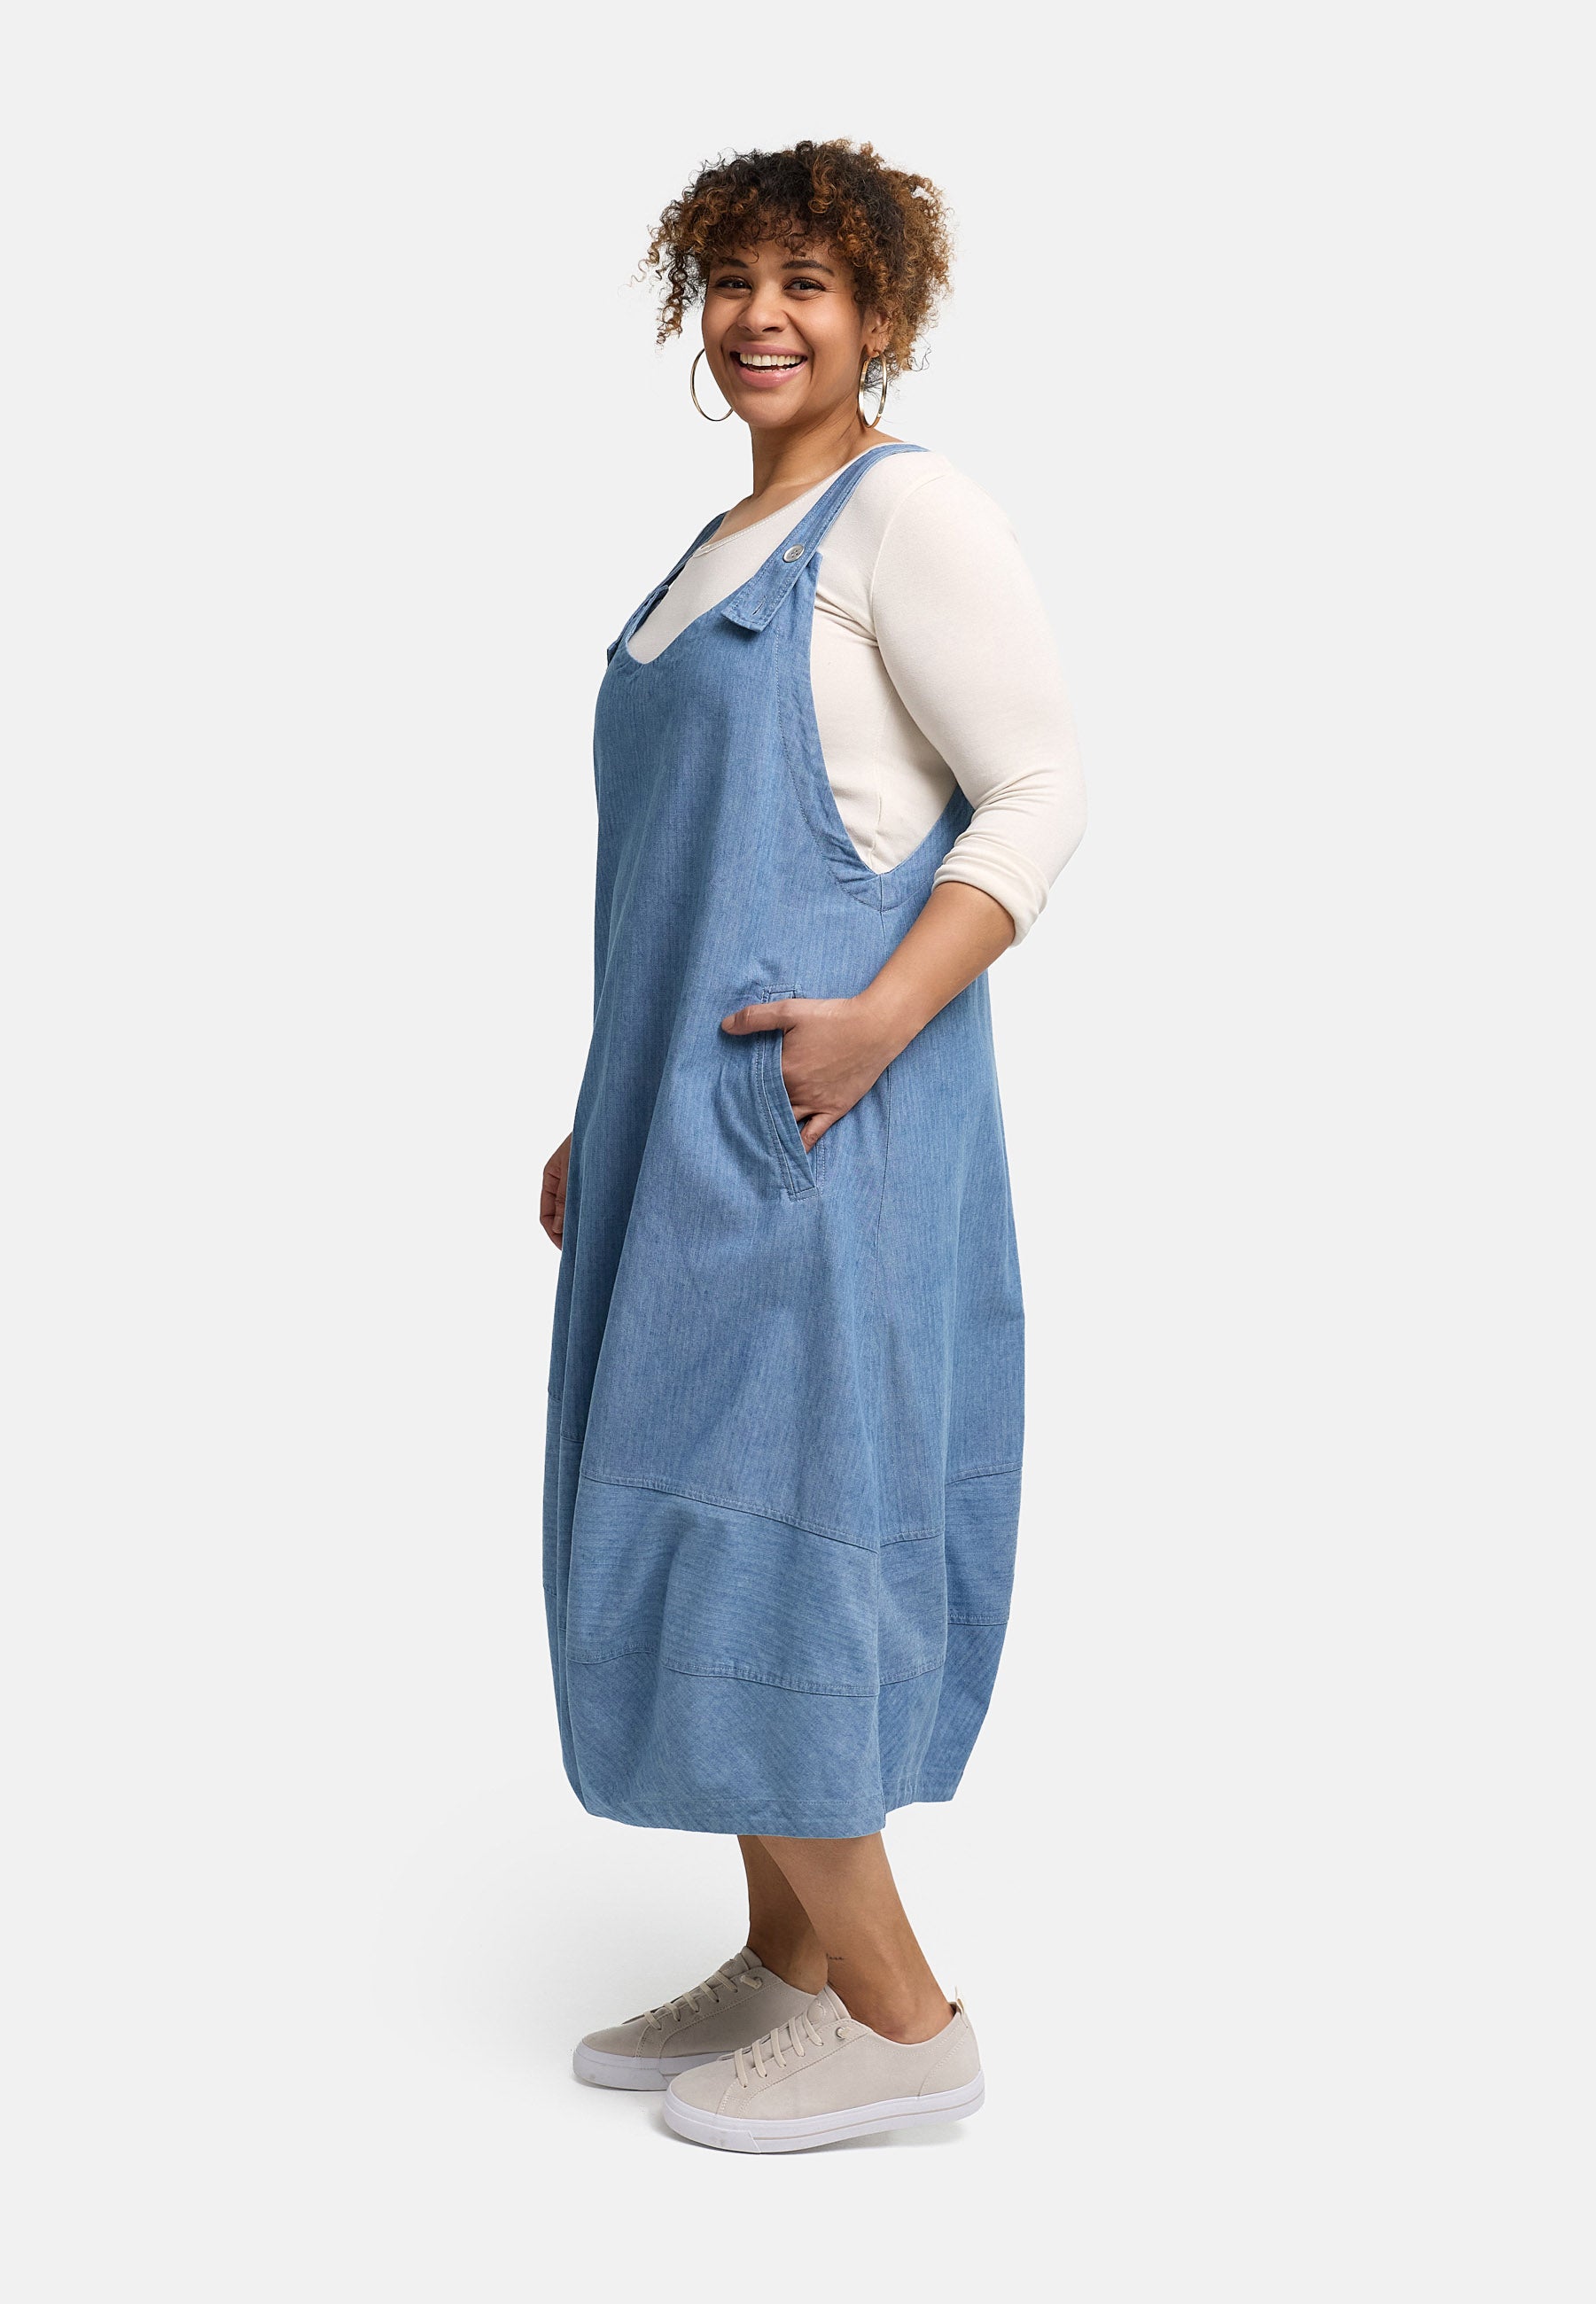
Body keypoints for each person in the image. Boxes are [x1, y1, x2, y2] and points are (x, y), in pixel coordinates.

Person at [541, 139, 1086, 2152]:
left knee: (775, 1543)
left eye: (808, 284)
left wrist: (876, 1017)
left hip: (817, 1140)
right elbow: (676, 894)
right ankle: (783, 1964)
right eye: (732, 280)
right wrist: (600, 1106)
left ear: (881, 315)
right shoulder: (716, 547)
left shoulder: (904, 518)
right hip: (678, 1133)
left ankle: (904, 2020)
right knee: (693, 1525)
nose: (762, 318)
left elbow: (1038, 791)